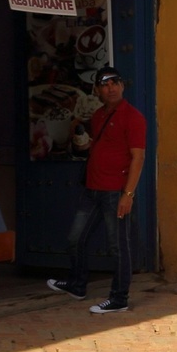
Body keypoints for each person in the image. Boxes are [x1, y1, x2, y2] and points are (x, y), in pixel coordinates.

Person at [47, 66, 146, 313]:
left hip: (116, 192)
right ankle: (77, 285)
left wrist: (128, 194)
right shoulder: (99, 116)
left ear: (122, 86)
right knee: (75, 238)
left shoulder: (133, 117)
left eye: (115, 82)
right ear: (98, 90)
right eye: (105, 84)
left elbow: (138, 157)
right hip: (92, 189)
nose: (110, 88)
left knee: (118, 247)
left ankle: (119, 299)